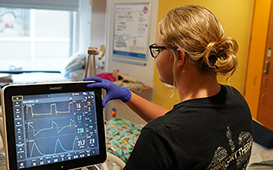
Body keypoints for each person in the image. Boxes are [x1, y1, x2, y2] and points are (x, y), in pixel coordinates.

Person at [84, 5, 253, 169]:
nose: (155, 57)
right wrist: (127, 95)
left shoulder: (157, 138)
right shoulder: (236, 100)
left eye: (157, 49)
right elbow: (185, 124)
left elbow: (175, 128)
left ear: (179, 56)